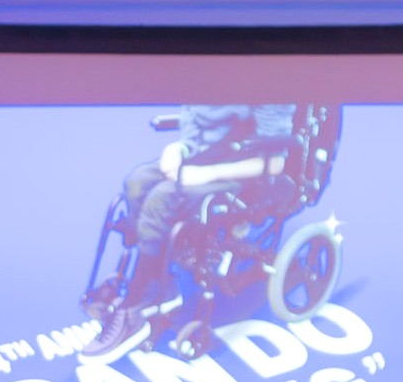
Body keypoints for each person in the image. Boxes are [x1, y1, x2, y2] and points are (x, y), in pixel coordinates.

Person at [84, 103, 298, 363]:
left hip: (241, 175)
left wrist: (207, 174)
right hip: (202, 159)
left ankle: (133, 307)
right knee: (136, 182)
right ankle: (158, 284)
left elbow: (275, 163)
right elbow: (196, 132)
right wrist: (178, 149)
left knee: (161, 200)